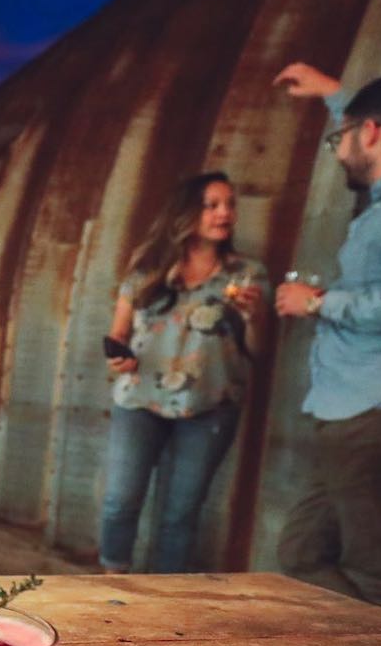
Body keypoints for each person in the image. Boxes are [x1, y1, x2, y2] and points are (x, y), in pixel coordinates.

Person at [271, 63, 381, 616]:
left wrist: (318, 302)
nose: (338, 152)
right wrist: (336, 97)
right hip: (354, 411)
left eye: (342, 138)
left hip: (379, 414)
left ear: (373, 132)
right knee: (304, 553)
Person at [98, 172, 268, 574]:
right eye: (212, 205)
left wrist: (252, 318)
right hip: (140, 398)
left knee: (180, 513)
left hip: (209, 404)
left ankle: (163, 601)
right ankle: (110, 584)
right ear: (187, 212)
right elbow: (118, 332)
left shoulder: (246, 274)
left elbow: (258, 351)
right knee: (120, 501)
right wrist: (117, 356)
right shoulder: (147, 266)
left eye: (229, 204)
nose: (224, 213)